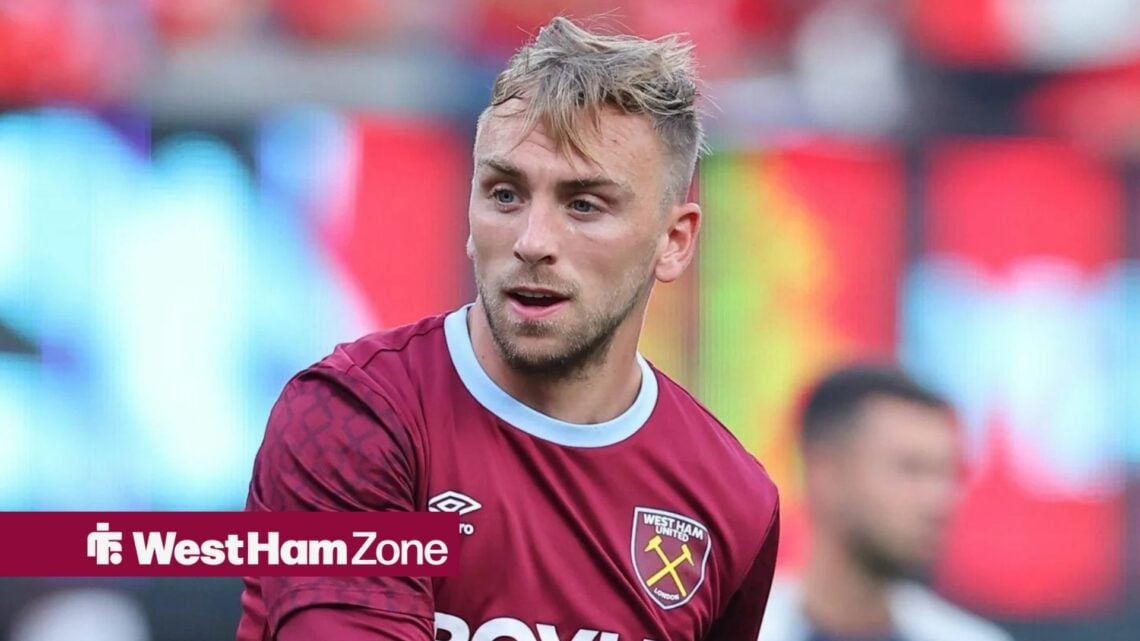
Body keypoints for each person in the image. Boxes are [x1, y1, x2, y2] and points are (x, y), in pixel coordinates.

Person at [236, 16, 780, 641]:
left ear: (675, 241)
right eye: (504, 194)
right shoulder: (350, 416)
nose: (532, 242)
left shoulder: (731, 502)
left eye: (584, 205)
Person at [759, 365, 1013, 641]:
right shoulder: (732, 630)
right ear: (825, 472)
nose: (939, 500)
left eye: (948, 473)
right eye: (911, 469)